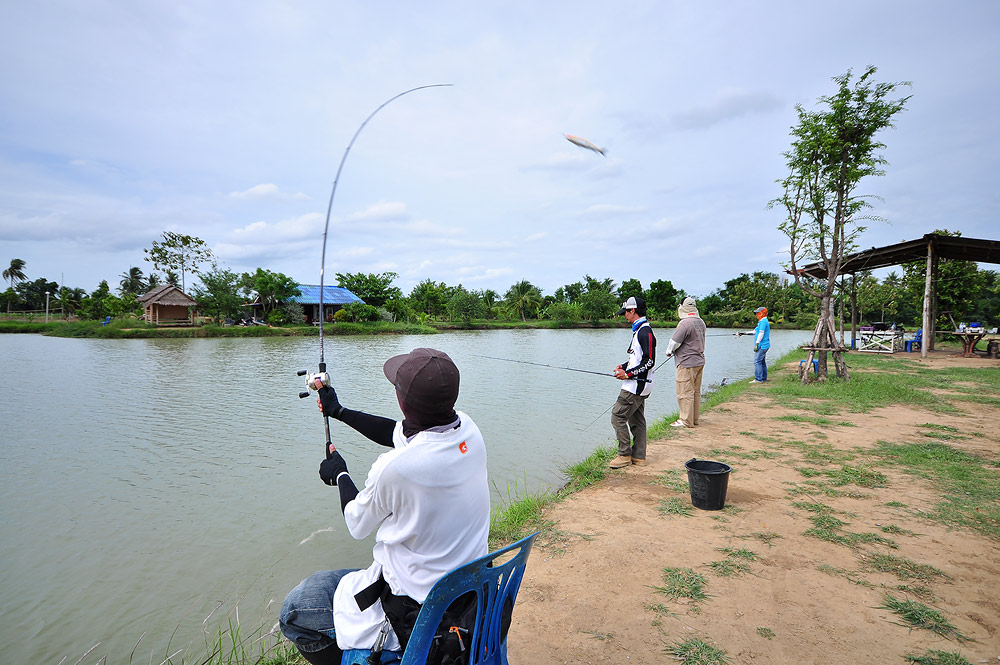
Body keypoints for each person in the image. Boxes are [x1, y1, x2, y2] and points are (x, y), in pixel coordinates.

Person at [279, 348, 490, 665]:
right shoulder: (468, 430)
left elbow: (356, 523)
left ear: (402, 400)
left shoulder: (395, 468)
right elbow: (397, 432)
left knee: (294, 610)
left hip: (415, 602)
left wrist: (340, 474)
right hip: (463, 588)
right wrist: (340, 411)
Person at [610, 296, 656, 469]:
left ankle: (624, 455)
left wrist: (627, 374)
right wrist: (623, 366)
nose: (624, 316)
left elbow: (649, 361)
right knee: (637, 419)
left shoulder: (645, 332)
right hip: (639, 383)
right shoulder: (640, 330)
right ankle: (638, 456)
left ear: (633, 311)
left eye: (625, 312)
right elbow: (638, 358)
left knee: (618, 416)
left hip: (636, 385)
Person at [665, 297, 706, 428]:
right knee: (695, 392)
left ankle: (685, 420)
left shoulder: (684, 323)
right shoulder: (701, 322)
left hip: (686, 362)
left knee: (684, 392)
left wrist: (669, 351)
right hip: (699, 361)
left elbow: (674, 342)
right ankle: (694, 419)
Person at [740, 306, 771, 383]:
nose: (757, 315)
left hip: (762, 345)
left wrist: (757, 344)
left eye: (758, 313)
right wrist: (743, 333)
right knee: (762, 362)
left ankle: (758, 379)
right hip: (764, 345)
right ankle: (763, 378)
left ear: (762, 313)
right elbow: (754, 332)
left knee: (757, 361)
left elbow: (761, 333)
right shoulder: (762, 322)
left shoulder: (764, 322)